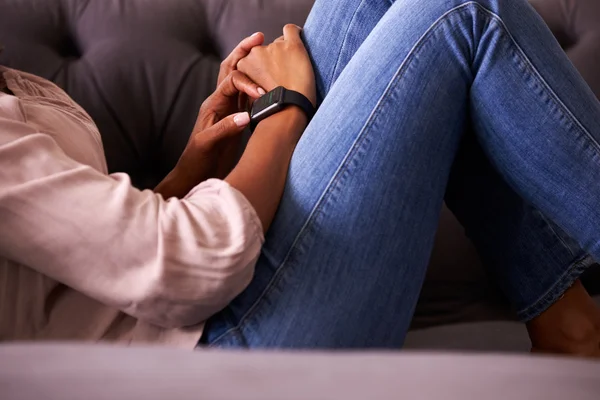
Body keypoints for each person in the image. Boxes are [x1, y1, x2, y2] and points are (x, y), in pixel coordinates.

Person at [1, 0, 599, 356]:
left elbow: (66, 282)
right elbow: (189, 264)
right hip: (211, 354)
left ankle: (568, 324)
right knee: (464, 11)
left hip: (186, 323)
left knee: (359, 5)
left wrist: (188, 173)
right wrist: (285, 107)